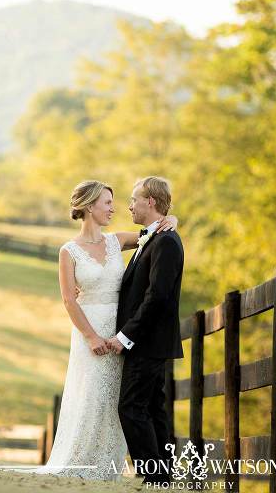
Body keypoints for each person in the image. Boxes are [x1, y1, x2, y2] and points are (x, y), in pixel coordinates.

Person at [10, 179, 178, 481]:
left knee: (119, 397)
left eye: (115, 202)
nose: (114, 208)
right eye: (107, 203)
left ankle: (113, 464)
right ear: (89, 206)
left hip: (120, 331)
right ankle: (81, 457)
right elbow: (67, 299)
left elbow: (153, 233)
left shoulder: (117, 241)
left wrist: (172, 219)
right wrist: (90, 336)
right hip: (90, 330)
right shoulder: (69, 251)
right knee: (90, 394)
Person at [106, 176, 185, 486]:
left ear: (150, 202)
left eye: (134, 199)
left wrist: (126, 336)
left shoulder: (165, 241)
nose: (129, 205)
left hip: (148, 341)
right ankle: (162, 477)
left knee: (131, 406)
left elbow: (158, 296)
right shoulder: (154, 236)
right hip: (149, 341)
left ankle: (152, 477)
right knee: (153, 407)